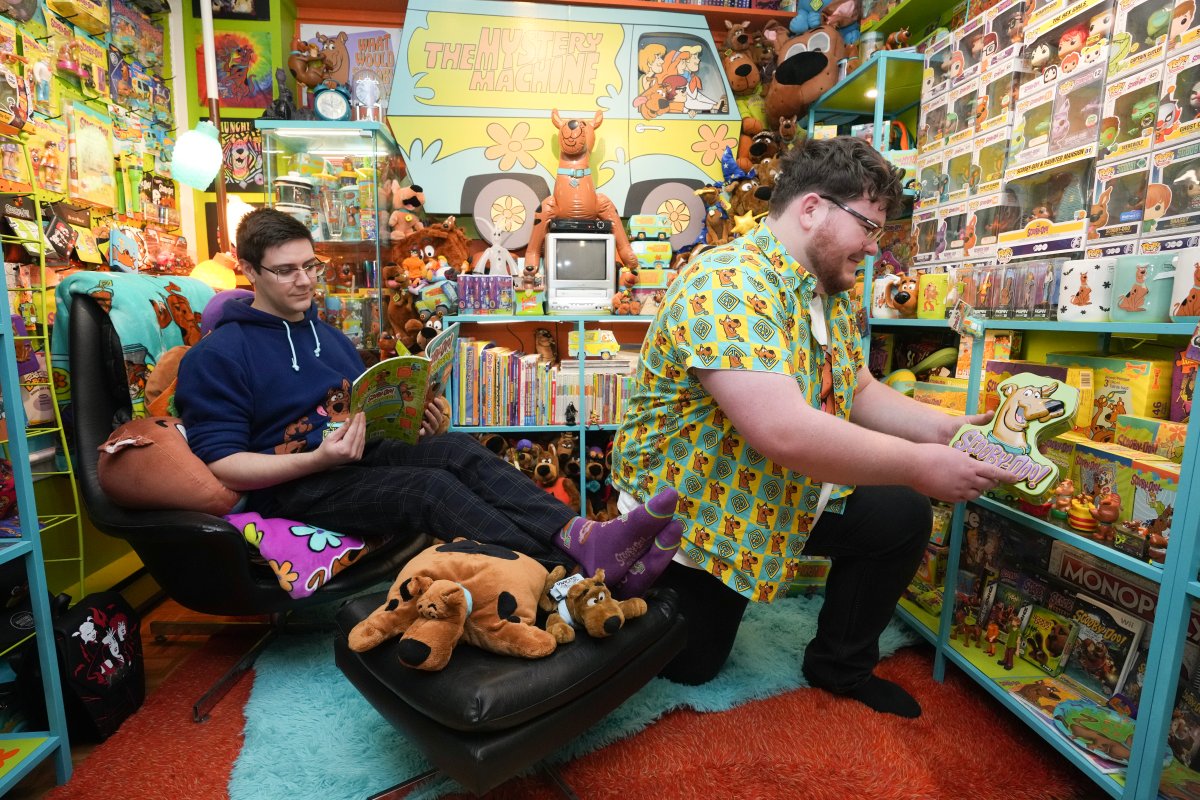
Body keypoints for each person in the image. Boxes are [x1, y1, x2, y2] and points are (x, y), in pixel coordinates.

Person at [612, 136, 1010, 717]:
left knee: (899, 514)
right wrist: (921, 465)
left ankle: (840, 666)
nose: (874, 249)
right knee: (692, 667)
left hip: (779, 491)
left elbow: (858, 388)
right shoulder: (725, 282)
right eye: (869, 228)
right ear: (812, 208)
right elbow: (786, 432)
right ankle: (627, 569)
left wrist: (944, 430)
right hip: (698, 516)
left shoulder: (832, 288)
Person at [176, 208, 682, 598]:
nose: (306, 281)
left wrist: (417, 419)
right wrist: (316, 459)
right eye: (286, 271)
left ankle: (586, 536)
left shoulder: (326, 337)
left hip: (353, 460)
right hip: (295, 486)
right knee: (430, 489)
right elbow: (223, 465)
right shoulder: (217, 356)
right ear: (248, 270)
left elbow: (364, 417)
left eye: (311, 265)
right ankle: (572, 577)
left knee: (457, 452)